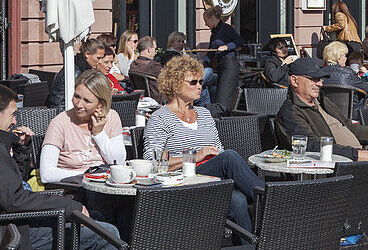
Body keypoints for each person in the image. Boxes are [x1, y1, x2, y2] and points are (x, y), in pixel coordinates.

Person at [0, 83, 121, 250]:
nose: (14, 121)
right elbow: (15, 199)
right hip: (7, 233)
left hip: (9, 221)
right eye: (13, 114)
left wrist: (21, 149)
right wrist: (69, 206)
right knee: (107, 233)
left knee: (97, 218)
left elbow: (12, 184)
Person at [143, 55, 264, 234]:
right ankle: (270, 198)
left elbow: (218, 151)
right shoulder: (160, 118)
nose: (199, 85)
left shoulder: (204, 114)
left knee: (237, 199)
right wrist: (193, 157)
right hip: (181, 182)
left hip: (212, 180)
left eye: (200, 81)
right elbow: (151, 162)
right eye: (193, 82)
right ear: (175, 85)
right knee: (229, 157)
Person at [274, 58, 368, 189]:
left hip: (359, 152)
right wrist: (354, 154)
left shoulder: (322, 101)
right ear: (294, 81)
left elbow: (350, 127)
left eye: (320, 79)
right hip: (340, 164)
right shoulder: (290, 112)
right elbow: (311, 146)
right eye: (313, 79)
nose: (320, 83)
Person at [40, 70, 126, 183]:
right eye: (77, 96)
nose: (79, 105)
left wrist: (99, 134)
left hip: (106, 188)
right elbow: (46, 174)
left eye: (87, 101)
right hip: (73, 188)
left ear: (100, 104)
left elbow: (118, 162)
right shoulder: (60, 123)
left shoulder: (111, 117)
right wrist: (89, 176)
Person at [48, 37, 106, 109]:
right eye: (98, 58)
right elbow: (60, 102)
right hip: (63, 111)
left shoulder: (82, 67)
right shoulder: (74, 72)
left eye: (101, 58)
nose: (100, 62)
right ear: (87, 54)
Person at [128, 36, 163, 101]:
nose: (156, 52)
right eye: (155, 49)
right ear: (149, 49)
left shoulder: (133, 64)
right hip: (158, 100)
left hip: (141, 99)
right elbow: (169, 81)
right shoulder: (153, 66)